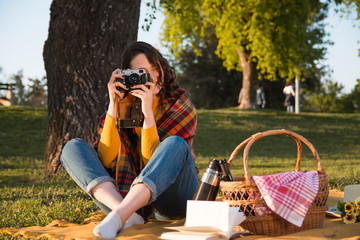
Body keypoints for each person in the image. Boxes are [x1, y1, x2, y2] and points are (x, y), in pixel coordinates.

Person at [60, 41, 198, 239]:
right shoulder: (122, 106)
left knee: (175, 144)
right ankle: (127, 215)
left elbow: (155, 163)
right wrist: (114, 107)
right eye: (142, 72)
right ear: (128, 77)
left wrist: (148, 112)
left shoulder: (179, 104)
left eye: (155, 68)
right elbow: (106, 160)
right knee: (72, 148)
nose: (153, 76)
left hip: (173, 201)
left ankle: (120, 215)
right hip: (126, 201)